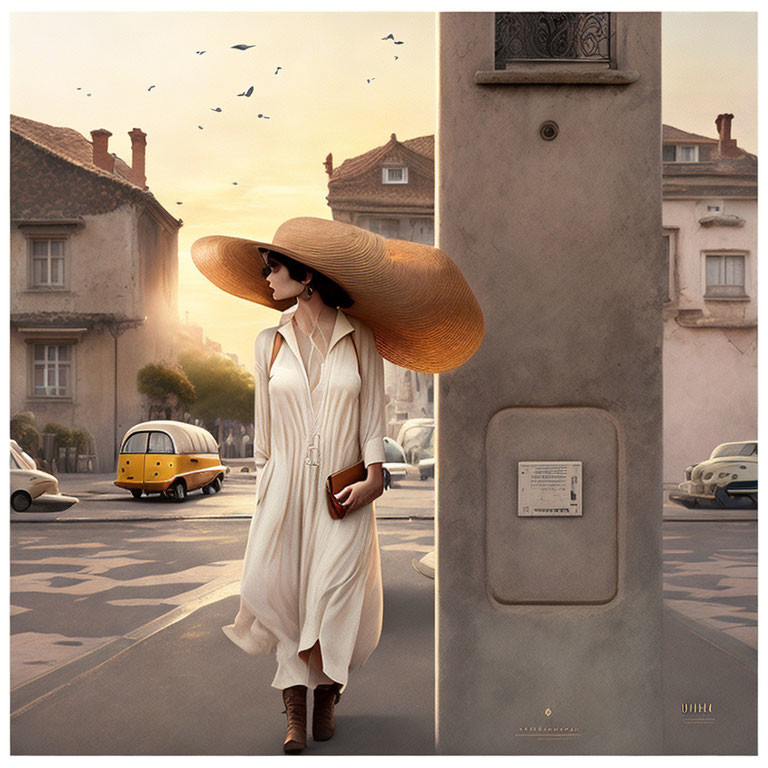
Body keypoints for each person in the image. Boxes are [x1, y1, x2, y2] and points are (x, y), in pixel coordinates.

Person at [191, 217, 484, 754]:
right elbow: (263, 433)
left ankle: (327, 691)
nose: (267, 277)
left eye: (273, 267)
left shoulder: (360, 339)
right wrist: (265, 493)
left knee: (333, 594)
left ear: (307, 278)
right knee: (287, 597)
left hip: (344, 494)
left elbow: (373, 418)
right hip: (283, 492)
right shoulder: (267, 343)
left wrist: (376, 477)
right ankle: (296, 709)